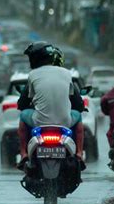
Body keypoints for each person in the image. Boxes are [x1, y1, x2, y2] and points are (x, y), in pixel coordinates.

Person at [17, 41, 85, 169]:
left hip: (39, 122)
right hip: (65, 122)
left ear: (35, 58)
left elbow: (25, 100)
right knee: (79, 117)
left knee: (22, 116)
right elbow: (74, 98)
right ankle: (80, 153)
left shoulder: (33, 75)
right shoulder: (66, 73)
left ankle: (23, 153)